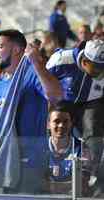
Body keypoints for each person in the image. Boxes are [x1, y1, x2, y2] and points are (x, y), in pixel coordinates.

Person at [0, 29, 62, 194]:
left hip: (29, 163)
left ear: (16, 49)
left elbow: (56, 95)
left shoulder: (32, 74)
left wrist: (37, 64)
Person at [46, 39, 104, 197]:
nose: (102, 71)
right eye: (98, 68)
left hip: (90, 102)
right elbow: (42, 82)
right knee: (56, 127)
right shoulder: (61, 60)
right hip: (62, 102)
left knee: (93, 131)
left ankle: (93, 173)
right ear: (85, 61)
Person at [46, 102, 91, 195]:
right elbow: (35, 182)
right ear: (48, 124)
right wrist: (69, 185)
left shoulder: (82, 148)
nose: (61, 125)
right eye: (56, 121)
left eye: (65, 121)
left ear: (71, 123)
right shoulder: (39, 148)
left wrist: (51, 186)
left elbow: (82, 184)